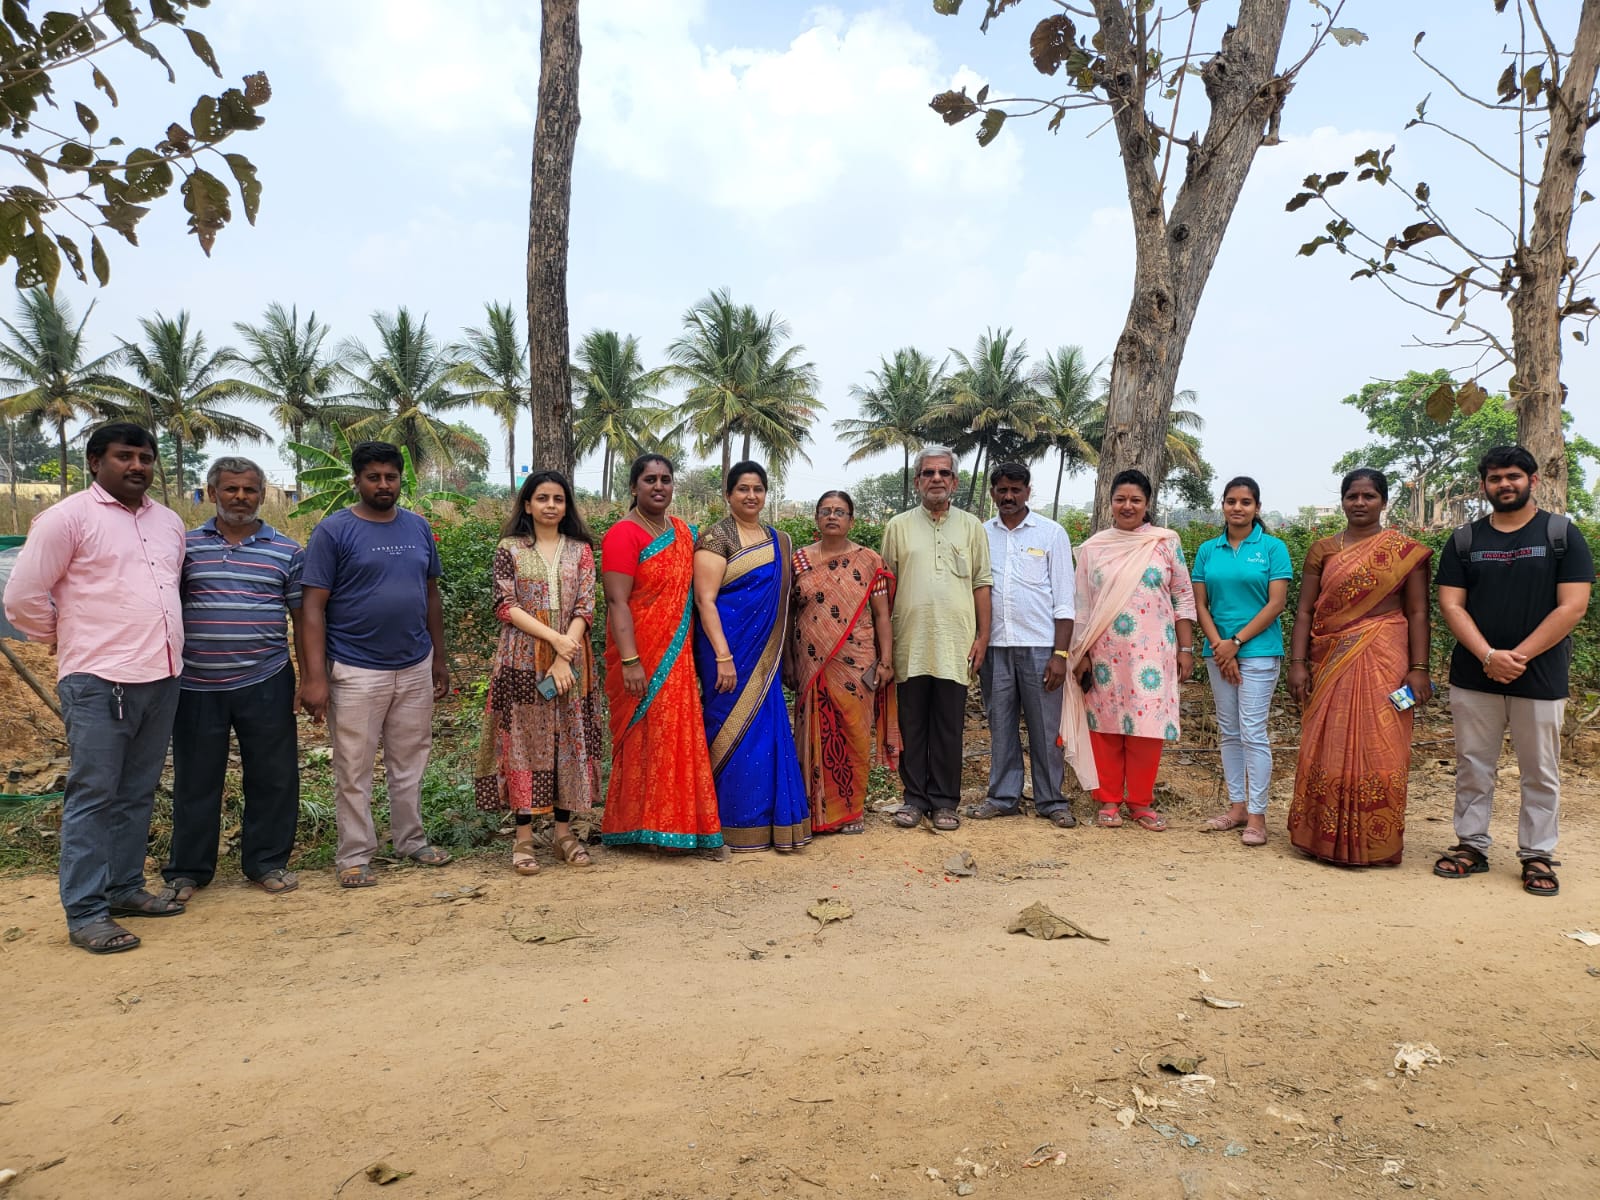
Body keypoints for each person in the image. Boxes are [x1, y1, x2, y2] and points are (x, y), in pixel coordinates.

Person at [3, 423, 187, 953]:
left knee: (137, 792)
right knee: (93, 796)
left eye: (145, 457)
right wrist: (67, 636)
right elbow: (22, 596)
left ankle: (125, 887)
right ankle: (86, 912)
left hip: (162, 674)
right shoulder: (67, 519)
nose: (137, 466)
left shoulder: (169, 522)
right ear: (94, 462)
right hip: (98, 679)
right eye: (124, 456)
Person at [1433, 446, 1593, 896]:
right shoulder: (1465, 539)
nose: (1505, 484)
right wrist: (1488, 656)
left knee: (1540, 770)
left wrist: (1515, 656)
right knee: (1472, 765)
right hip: (1473, 673)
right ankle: (1471, 845)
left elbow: (1573, 605)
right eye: (1495, 477)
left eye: (1513, 476)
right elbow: (1451, 604)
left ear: (1533, 480)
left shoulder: (1561, 534)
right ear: (1484, 485)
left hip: (1540, 677)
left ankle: (1537, 854)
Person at [297, 441, 454, 888]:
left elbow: (430, 595)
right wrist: (313, 677)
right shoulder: (334, 531)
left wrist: (438, 659)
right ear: (357, 480)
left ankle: (410, 839)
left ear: (402, 479)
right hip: (355, 667)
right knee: (354, 765)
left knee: (410, 759)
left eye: (391, 477)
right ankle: (354, 854)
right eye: (374, 477)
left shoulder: (418, 528)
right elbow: (313, 607)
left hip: (414, 663)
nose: (383, 485)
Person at [164, 456, 305, 901]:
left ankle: (266, 862)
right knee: (196, 777)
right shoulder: (184, 548)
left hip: (265, 677)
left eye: (249, 490)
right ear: (211, 493)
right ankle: (188, 870)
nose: (240, 497)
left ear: (262, 496)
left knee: (273, 776)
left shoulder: (287, 551)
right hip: (195, 683)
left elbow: (303, 619)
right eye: (230, 489)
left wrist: (310, 678)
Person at [1286, 468, 1432, 867]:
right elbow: (1304, 611)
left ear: (1383, 501)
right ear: (1343, 500)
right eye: (1353, 496)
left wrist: (1419, 667)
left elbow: (1419, 612)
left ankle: (1375, 841)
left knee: (1382, 745)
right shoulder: (1323, 550)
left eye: (1369, 496)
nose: (1360, 503)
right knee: (1326, 741)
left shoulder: (1405, 552)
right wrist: (1297, 662)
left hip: (1385, 655)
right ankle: (1322, 838)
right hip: (1330, 658)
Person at [473, 470, 603, 875]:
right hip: (521, 659)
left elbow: (586, 605)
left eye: (558, 499)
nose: (551, 505)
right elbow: (504, 605)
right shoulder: (510, 549)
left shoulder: (580, 550)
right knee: (524, 745)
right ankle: (524, 837)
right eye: (542, 498)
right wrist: (554, 640)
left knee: (568, 738)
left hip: (572, 662)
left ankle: (564, 834)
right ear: (527, 504)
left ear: (567, 506)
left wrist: (565, 654)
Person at [599, 453, 723, 853]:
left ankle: (677, 826)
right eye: (649, 479)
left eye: (665, 479)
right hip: (641, 655)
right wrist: (632, 660)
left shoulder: (686, 533)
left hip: (679, 658)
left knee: (677, 738)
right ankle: (639, 826)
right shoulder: (623, 534)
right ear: (634, 486)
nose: (658, 486)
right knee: (644, 738)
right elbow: (617, 603)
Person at [1065, 468, 1196, 832]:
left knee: (1146, 727)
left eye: (1135, 500)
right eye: (1120, 499)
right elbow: (1082, 605)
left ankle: (1141, 802)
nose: (1127, 506)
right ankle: (1108, 801)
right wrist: (1082, 652)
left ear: (1147, 503)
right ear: (1110, 503)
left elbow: (1183, 596)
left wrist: (1185, 648)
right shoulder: (1093, 548)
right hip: (1104, 649)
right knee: (1105, 724)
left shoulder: (1164, 542)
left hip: (1154, 652)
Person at [693, 461, 811, 851]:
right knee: (725, 728)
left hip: (766, 657)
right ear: (728, 494)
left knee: (765, 734)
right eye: (742, 488)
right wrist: (724, 655)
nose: (751, 496)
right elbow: (704, 600)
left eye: (758, 488)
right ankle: (725, 824)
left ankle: (766, 823)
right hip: (726, 653)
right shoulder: (716, 537)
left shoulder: (780, 540)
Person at [881, 445, 992, 831]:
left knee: (948, 726)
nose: (936, 480)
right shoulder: (898, 526)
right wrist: (885, 646)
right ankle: (913, 799)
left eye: (944, 473)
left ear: (955, 482)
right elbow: (886, 590)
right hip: (909, 643)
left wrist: (982, 637)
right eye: (928, 473)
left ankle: (945, 802)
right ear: (917, 482)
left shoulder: (972, 526)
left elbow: (982, 583)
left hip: (955, 643)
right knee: (912, 725)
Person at [965, 462, 1079, 828]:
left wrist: (1060, 654)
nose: (1009, 496)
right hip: (995, 647)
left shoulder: (1051, 533)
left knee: (1046, 729)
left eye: (1016, 489)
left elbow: (1064, 598)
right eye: (1001, 490)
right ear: (992, 492)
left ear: (1028, 491)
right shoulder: (980, 534)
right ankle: (1003, 797)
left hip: (1041, 647)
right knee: (1000, 725)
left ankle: (1051, 800)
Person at [789, 491, 899, 835]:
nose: (832, 516)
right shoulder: (799, 561)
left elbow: (882, 616)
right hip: (810, 662)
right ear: (816, 519)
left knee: (854, 730)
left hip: (857, 660)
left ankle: (850, 811)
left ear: (851, 520)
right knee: (813, 732)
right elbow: (790, 613)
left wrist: (886, 660)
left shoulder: (869, 561)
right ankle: (813, 810)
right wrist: (790, 662)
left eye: (840, 511)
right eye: (826, 511)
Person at [1191, 476, 1292, 846]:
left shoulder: (1272, 548)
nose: (1238, 508)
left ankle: (1258, 816)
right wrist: (1220, 646)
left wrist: (1236, 642)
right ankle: (1236, 808)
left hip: (1259, 651)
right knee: (1229, 732)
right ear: (1223, 505)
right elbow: (1200, 605)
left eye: (1245, 502)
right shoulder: (1208, 550)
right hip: (1218, 652)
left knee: (1252, 732)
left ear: (1257, 508)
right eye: (1231, 501)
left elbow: (1276, 603)